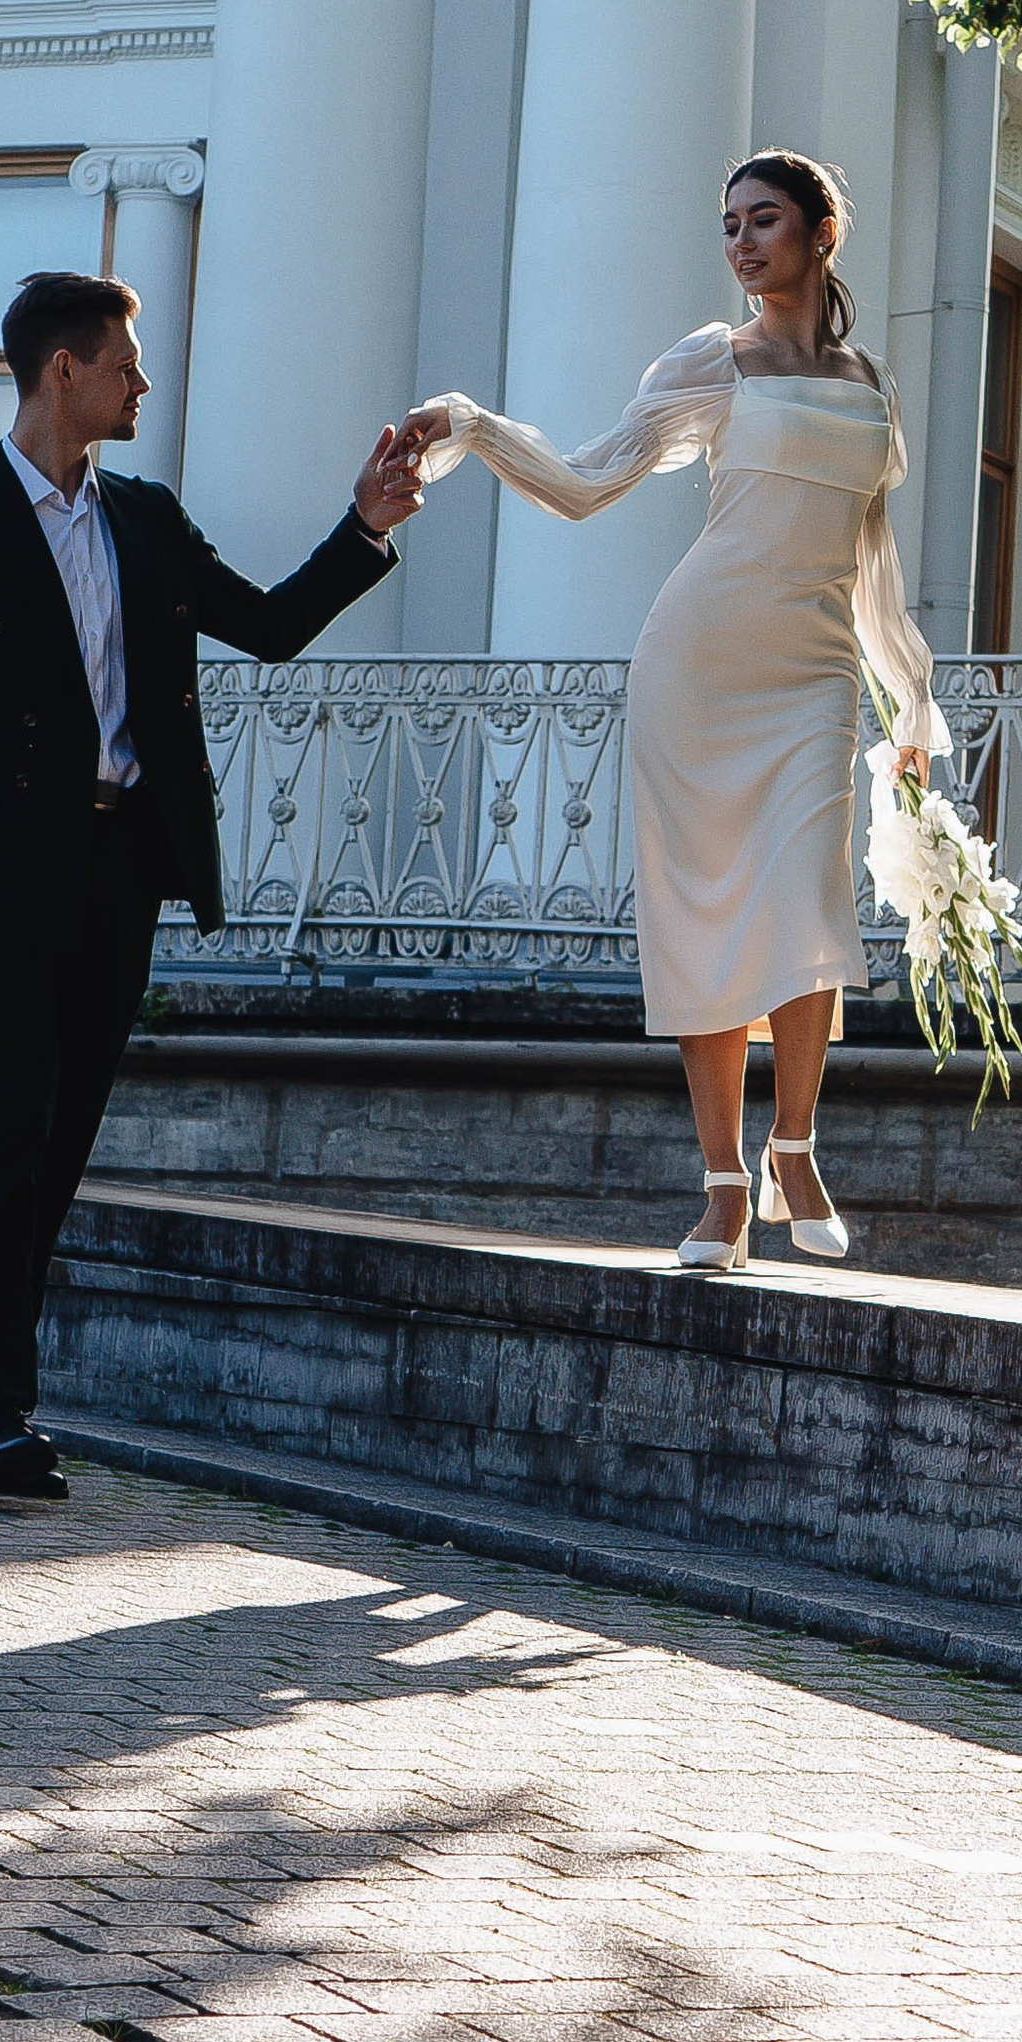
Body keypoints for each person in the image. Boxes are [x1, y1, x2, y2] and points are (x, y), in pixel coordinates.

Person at [0, 268, 425, 1502]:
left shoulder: (146, 517)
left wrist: (365, 525)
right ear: (62, 369)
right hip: (4, 882)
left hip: (122, 865)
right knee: (9, 1129)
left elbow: (269, 626)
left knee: (61, 1139)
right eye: (124, 363)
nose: (142, 383)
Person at [403, 151, 945, 1269]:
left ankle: (795, 1148)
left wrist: (912, 699)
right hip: (700, 664)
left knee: (807, 905)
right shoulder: (714, 362)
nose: (742, 242)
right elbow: (588, 482)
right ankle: (723, 1191)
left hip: (815, 673)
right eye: (730, 224)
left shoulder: (873, 384)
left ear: (821, 233)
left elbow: (873, 557)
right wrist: (476, 426)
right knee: (702, 918)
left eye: (765, 220)